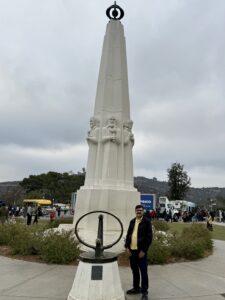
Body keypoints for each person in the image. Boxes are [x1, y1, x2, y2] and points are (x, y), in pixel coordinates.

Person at [125, 205, 153, 299]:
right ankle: (136, 288)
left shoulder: (147, 222)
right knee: (135, 271)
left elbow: (149, 238)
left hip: (141, 252)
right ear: (135, 211)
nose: (139, 212)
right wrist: (127, 247)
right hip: (132, 251)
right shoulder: (132, 221)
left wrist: (144, 250)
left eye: (140, 210)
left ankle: (144, 291)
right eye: (137, 210)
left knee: (143, 271)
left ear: (143, 211)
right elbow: (128, 234)